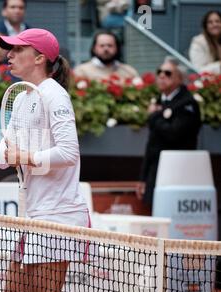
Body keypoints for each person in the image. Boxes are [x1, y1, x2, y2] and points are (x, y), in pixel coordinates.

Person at [0, 28, 90, 292]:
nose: (9, 54)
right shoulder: (24, 97)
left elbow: (69, 153)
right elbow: (4, 157)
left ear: (39, 58)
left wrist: (25, 157)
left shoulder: (55, 94)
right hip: (34, 217)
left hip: (56, 218)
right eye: (9, 49)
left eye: (17, 50)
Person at [136, 57, 201, 208]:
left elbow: (174, 133)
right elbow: (151, 144)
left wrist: (153, 116)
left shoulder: (188, 102)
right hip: (155, 172)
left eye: (168, 73)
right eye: (159, 72)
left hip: (178, 174)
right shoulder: (159, 101)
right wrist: (143, 178)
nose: (162, 76)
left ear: (180, 78)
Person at [73, 30, 139, 82]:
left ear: (117, 48)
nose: (106, 49)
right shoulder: (81, 71)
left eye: (110, 45)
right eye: (102, 45)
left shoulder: (129, 71)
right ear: (94, 48)